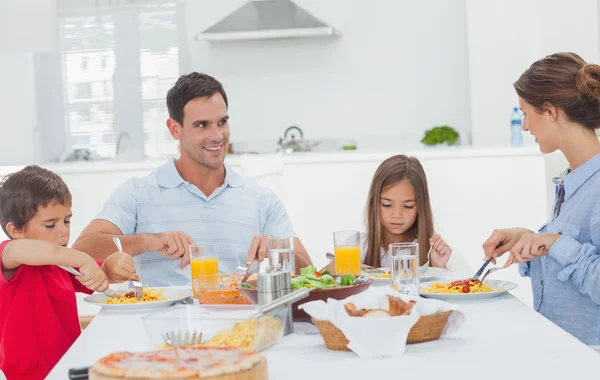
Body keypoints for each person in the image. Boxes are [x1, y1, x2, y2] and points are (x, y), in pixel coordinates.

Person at [73, 73, 312, 285]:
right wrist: (146, 242)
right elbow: (81, 250)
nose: (217, 136)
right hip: (160, 331)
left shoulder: (261, 199)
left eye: (222, 122)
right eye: (202, 125)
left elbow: (309, 273)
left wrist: (278, 248)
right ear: (175, 129)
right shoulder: (138, 193)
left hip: (240, 328)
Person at [482, 52, 600, 345]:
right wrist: (533, 239)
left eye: (525, 112)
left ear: (550, 111)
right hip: (562, 352)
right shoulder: (572, 182)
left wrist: (557, 242)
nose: (524, 126)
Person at [0, 165, 138, 379]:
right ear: (15, 230)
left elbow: (98, 273)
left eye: (66, 221)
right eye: (50, 225)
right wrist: (83, 258)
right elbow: (27, 250)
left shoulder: (62, 265)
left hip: (69, 367)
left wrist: (110, 268)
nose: (64, 231)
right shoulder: (11, 256)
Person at [362, 155, 452, 268]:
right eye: (387, 204)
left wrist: (438, 267)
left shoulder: (431, 250)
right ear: (374, 203)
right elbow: (334, 281)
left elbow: (442, 285)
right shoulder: (358, 247)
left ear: (420, 207)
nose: (397, 215)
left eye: (408, 206)